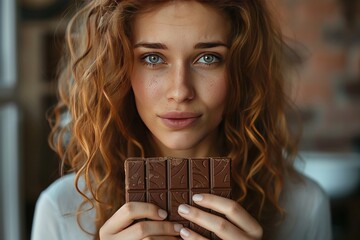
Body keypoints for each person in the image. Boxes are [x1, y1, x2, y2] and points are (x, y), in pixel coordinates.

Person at [31, 1, 332, 239]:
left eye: (208, 58)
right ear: (119, 70)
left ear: (242, 71)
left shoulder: (303, 206)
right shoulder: (62, 210)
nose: (180, 91)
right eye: (152, 58)